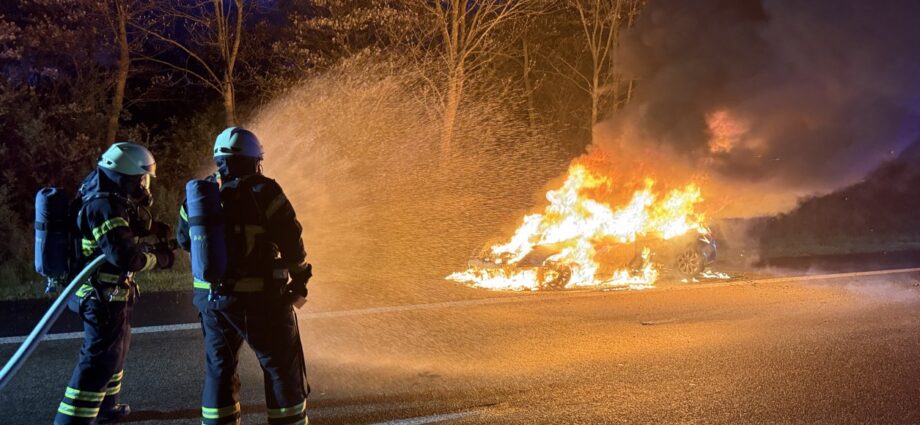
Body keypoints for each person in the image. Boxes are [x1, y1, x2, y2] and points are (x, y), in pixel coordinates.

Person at [177, 127, 311, 425]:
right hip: (261, 300)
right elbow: (291, 239)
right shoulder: (265, 191)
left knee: (219, 369)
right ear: (254, 160)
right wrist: (301, 276)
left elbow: (184, 240)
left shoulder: (201, 195)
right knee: (278, 367)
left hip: (212, 302)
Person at [55, 142, 175, 425]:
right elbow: (125, 257)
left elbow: (121, 228)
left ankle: (107, 408)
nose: (145, 185)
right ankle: (71, 421)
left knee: (115, 352)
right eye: (142, 178)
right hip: (99, 296)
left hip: (112, 294)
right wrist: (160, 258)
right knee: (97, 362)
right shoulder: (103, 204)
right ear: (128, 175)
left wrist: (153, 229)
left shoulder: (108, 195)